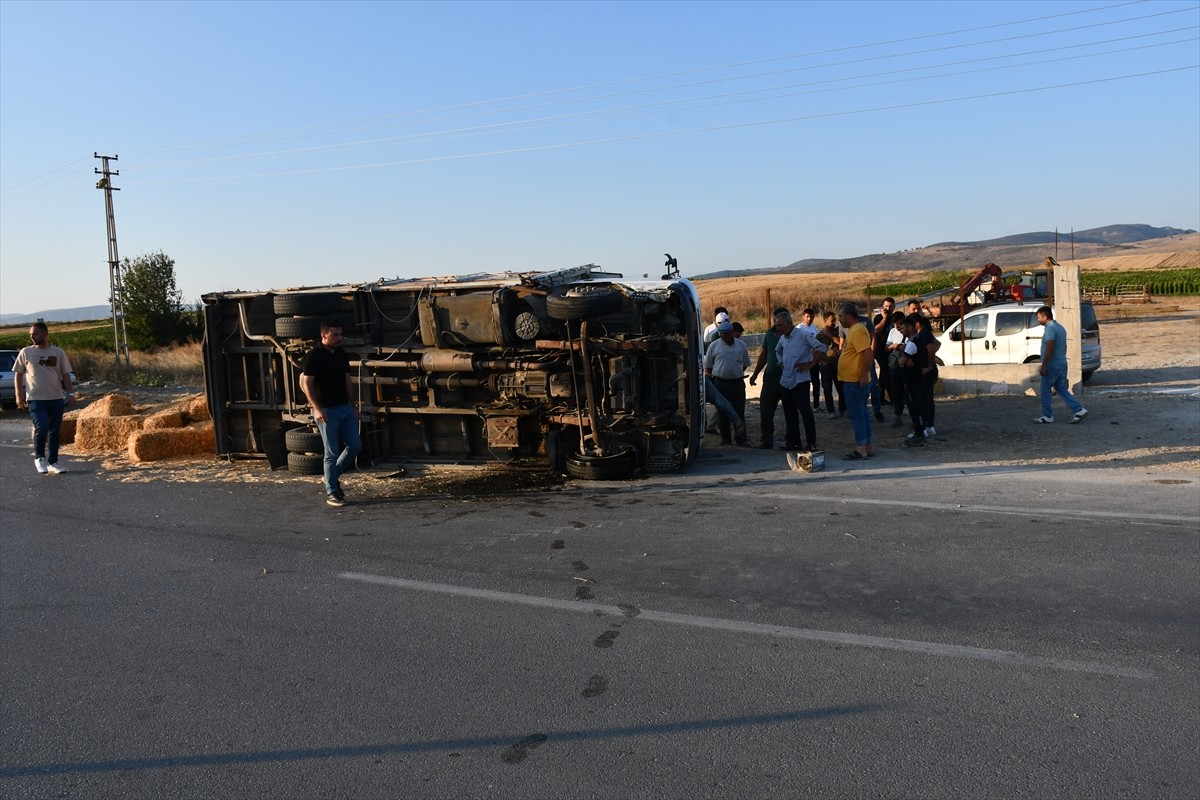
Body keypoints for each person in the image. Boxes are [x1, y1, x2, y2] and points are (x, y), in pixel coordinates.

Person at [300, 319, 362, 507]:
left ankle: (331, 476)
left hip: (345, 408)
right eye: (335, 335)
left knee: (355, 446)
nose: (339, 338)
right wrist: (316, 408)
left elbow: (347, 380)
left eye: (340, 334)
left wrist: (353, 405)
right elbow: (307, 384)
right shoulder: (313, 356)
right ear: (324, 335)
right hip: (326, 411)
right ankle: (332, 492)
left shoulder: (341, 354)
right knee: (331, 452)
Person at [14, 321, 75, 474]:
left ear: (45, 334)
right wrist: (18, 395)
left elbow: (65, 374)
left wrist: (71, 392)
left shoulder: (58, 352)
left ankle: (53, 462)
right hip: (35, 398)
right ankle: (39, 458)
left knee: (55, 431)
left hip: (56, 398)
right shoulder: (26, 352)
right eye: (30, 334)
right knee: (42, 426)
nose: (32, 337)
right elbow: (18, 375)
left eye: (35, 334)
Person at [774, 310, 826, 452]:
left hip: (800, 380)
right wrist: (781, 363)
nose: (777, 328)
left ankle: (811, 443)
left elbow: (820, 347)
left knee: (805, 412)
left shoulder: (802, 335)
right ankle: (793, 441)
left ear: (788, 324)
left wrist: (810, 365)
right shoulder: (784, 338)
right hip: (786, 380)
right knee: (789, 413)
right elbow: (777, 350)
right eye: (776, 325)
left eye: (779, 325)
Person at [1033, 306, 1088, 424]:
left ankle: (1047, 415)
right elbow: (1064, 346)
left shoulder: (1050, 329)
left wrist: (1044, 365)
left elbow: (1050, 347)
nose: (1038, 320)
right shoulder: (1060, 327)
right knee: (1061, 389)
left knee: (1045, 389)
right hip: (1061, 363)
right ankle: (1079, 410)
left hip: (1053, 365)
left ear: (1045, 317)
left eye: (1039, 317)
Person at [703, 320, 751, 446]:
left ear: (731, 332)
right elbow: (707, 367)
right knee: (722, 411)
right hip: (721, 383)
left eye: (726, 334)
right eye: (721, 334)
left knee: (739, 411)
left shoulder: (741, 345)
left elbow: (745, 363)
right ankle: (725, 439)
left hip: (737, 383)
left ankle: (741, 438)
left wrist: (734, 373)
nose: (724, 336)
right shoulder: (714, 346)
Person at [838, 303, 874, 460]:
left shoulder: (858, 330)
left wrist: (864, 374)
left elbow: (867, 352)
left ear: (848, 316)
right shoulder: (853, 330)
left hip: (855, 380)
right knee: (862, 413)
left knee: (856, 414)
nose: (839, 319)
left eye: (841, 316)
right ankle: (867, 446)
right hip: (852, 379)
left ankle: (861, 449)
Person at [749, 307, 788, 449]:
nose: (776, 322)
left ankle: (791, 440)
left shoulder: (794, 334)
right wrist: (755, 374)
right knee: (766, 410)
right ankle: (767, 440)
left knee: (790, 409)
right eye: (775, 319)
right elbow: (764, 354)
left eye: (780, 321)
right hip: (770, 377)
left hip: (787, 378)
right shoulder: (769, 334)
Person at [898, 314, 930, 446]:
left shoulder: (912, 343)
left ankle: (919, 433)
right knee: (916, 405)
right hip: (915, 379)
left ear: (910, 328)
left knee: (914, 407)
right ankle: (920, 432)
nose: (901, 330)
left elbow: (901, 362)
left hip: (913, 380)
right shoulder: (914, 342)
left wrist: (904, 358)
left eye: (903, 328)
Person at [913, 313, 941, 437]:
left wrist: (929, 364)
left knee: (923, 400)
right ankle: (930, 426)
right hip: (931, 371)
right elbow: (938, 344)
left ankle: (923, 427)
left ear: (917, 324)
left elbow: (931, 347)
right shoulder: (927, 333)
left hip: (927, 371)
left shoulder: (922, 334)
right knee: (928, 399)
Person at [816, 311, 844, 419]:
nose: (833, 323)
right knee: (827, 389)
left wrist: (831, 336)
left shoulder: (838, 332)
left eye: (834, 321)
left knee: (841, 389)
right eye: (832, 321)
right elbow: (814, 350)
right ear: (825, 321)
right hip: (826, 366)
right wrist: (820, 361)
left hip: (838, 364)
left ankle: (843, 409)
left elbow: (841, 343)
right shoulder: (819, 336)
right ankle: (831, 411)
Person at [885, 311, 908, 427]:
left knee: (909, 391)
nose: (897, 327)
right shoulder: (893, 332)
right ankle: (898, 416)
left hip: (908, 366)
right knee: (896, 391)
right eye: (894, 324)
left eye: (898, 324)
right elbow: (886, 347)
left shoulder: (910, 332)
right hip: (895, 366)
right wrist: (894, 346)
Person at [797, 308, 822, 409]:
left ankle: (816, 405)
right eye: (807, 316)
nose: (809, 318)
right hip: (804, 360)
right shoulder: (799, 329)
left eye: (811, 316)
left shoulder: (813, 328)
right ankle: (804, 405)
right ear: (803, 317)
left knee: (816, 383)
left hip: (813, 359)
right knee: (805, 384)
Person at [873, 297, 896, 405]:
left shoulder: (896, 318)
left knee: (885, 373)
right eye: (886, 306)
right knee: (886, 371)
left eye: (890, 306)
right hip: (881, 350)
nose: (888, 308)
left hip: (892, 349)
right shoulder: (878, 318)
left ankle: (883, 397)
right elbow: (877, 330)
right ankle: (890, 397)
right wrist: (884, 318)